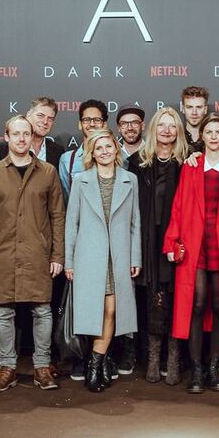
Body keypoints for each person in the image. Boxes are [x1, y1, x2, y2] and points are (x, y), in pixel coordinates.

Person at [0, 115, 66, 392]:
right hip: (3, 253)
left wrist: (57, 256)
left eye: (26, 133)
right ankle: (7, 367)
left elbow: (57, 216)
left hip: (38, 253)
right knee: (3, 312)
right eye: (16, 134)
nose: (21, 139)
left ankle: (42, 366)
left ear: (32, 136)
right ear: (6, 137)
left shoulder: (48, 172)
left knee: (42, 310)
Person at [164, 113, 219, 393]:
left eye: (217, 132)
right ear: (201, 136)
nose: (213, 136)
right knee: (197, 304)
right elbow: (178, 206)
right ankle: (197, 370)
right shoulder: (191, 166)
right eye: (208, 132)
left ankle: (214, 368)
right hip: (196, 243)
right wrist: (171, 241)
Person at [65, 129, 142, 392]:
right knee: (93, 312)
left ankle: (95, 362)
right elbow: (71, 224)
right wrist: (69, 262)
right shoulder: (81, 181)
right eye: (99, 148)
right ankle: (101, 362)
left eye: (109, 146)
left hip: (118, 257)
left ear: (116, 149)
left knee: (111, 310)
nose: (105, 151)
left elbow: (135, 223)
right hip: (89, 256)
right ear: (92, 153)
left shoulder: (130, 180)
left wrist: (135, 257)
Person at [127, 107, 188, 384]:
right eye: (161, 125)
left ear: (179, 131)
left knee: (177, 299)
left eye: (172, 125)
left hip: (178, 240)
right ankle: (153, 358)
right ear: (152, 129)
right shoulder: (137, 163)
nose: (166, 130)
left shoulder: (188, 162)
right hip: (148, 241)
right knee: (154, 299)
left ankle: (173, 358)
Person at [0, 97, 65, 170]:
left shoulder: (57, 151)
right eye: (40, 115)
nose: (45, 122)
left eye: (50, 119)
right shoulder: (1, 148)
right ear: (28, 115)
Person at [59, 99, 109, 199]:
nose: (92, 124)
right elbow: (66, 199)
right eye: (86, 120)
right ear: (80, 124)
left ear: (104, 125)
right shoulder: (67, 160)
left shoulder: (117, 157)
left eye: (97, 120)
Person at [180, 86, 210, 152]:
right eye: (189, 107)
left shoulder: (214, 138)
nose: (194, 112)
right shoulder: (176, 136)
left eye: (199, 107)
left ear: (205, 109)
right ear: (183, 109)